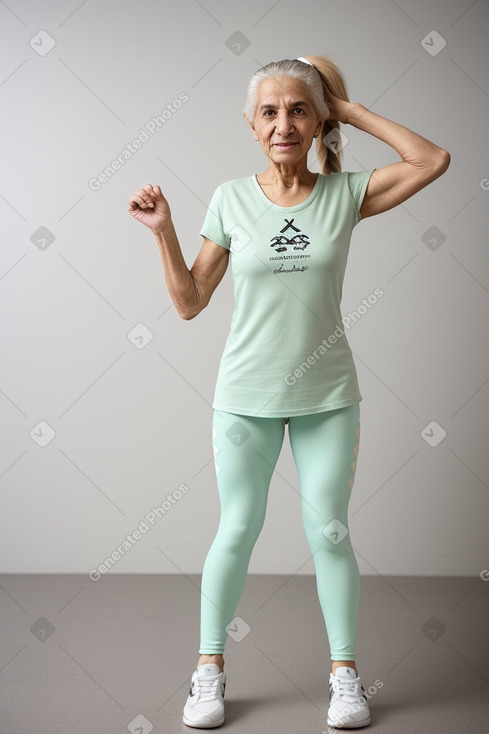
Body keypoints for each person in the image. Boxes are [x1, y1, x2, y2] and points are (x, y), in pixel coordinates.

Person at [128, 55, 450, 729]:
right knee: (237, 530)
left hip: (328, 398)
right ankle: (208, 673)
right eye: (269, 112)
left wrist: (348, 109)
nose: (283, 123)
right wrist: (164, 234)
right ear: (251, 125)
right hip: (244, 397)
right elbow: (189, 302)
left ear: (316, 120)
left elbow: (431, 159)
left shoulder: (343, 195)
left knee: (329, 532)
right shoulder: (229, 198)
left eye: (298, 109)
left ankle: (344, 678)